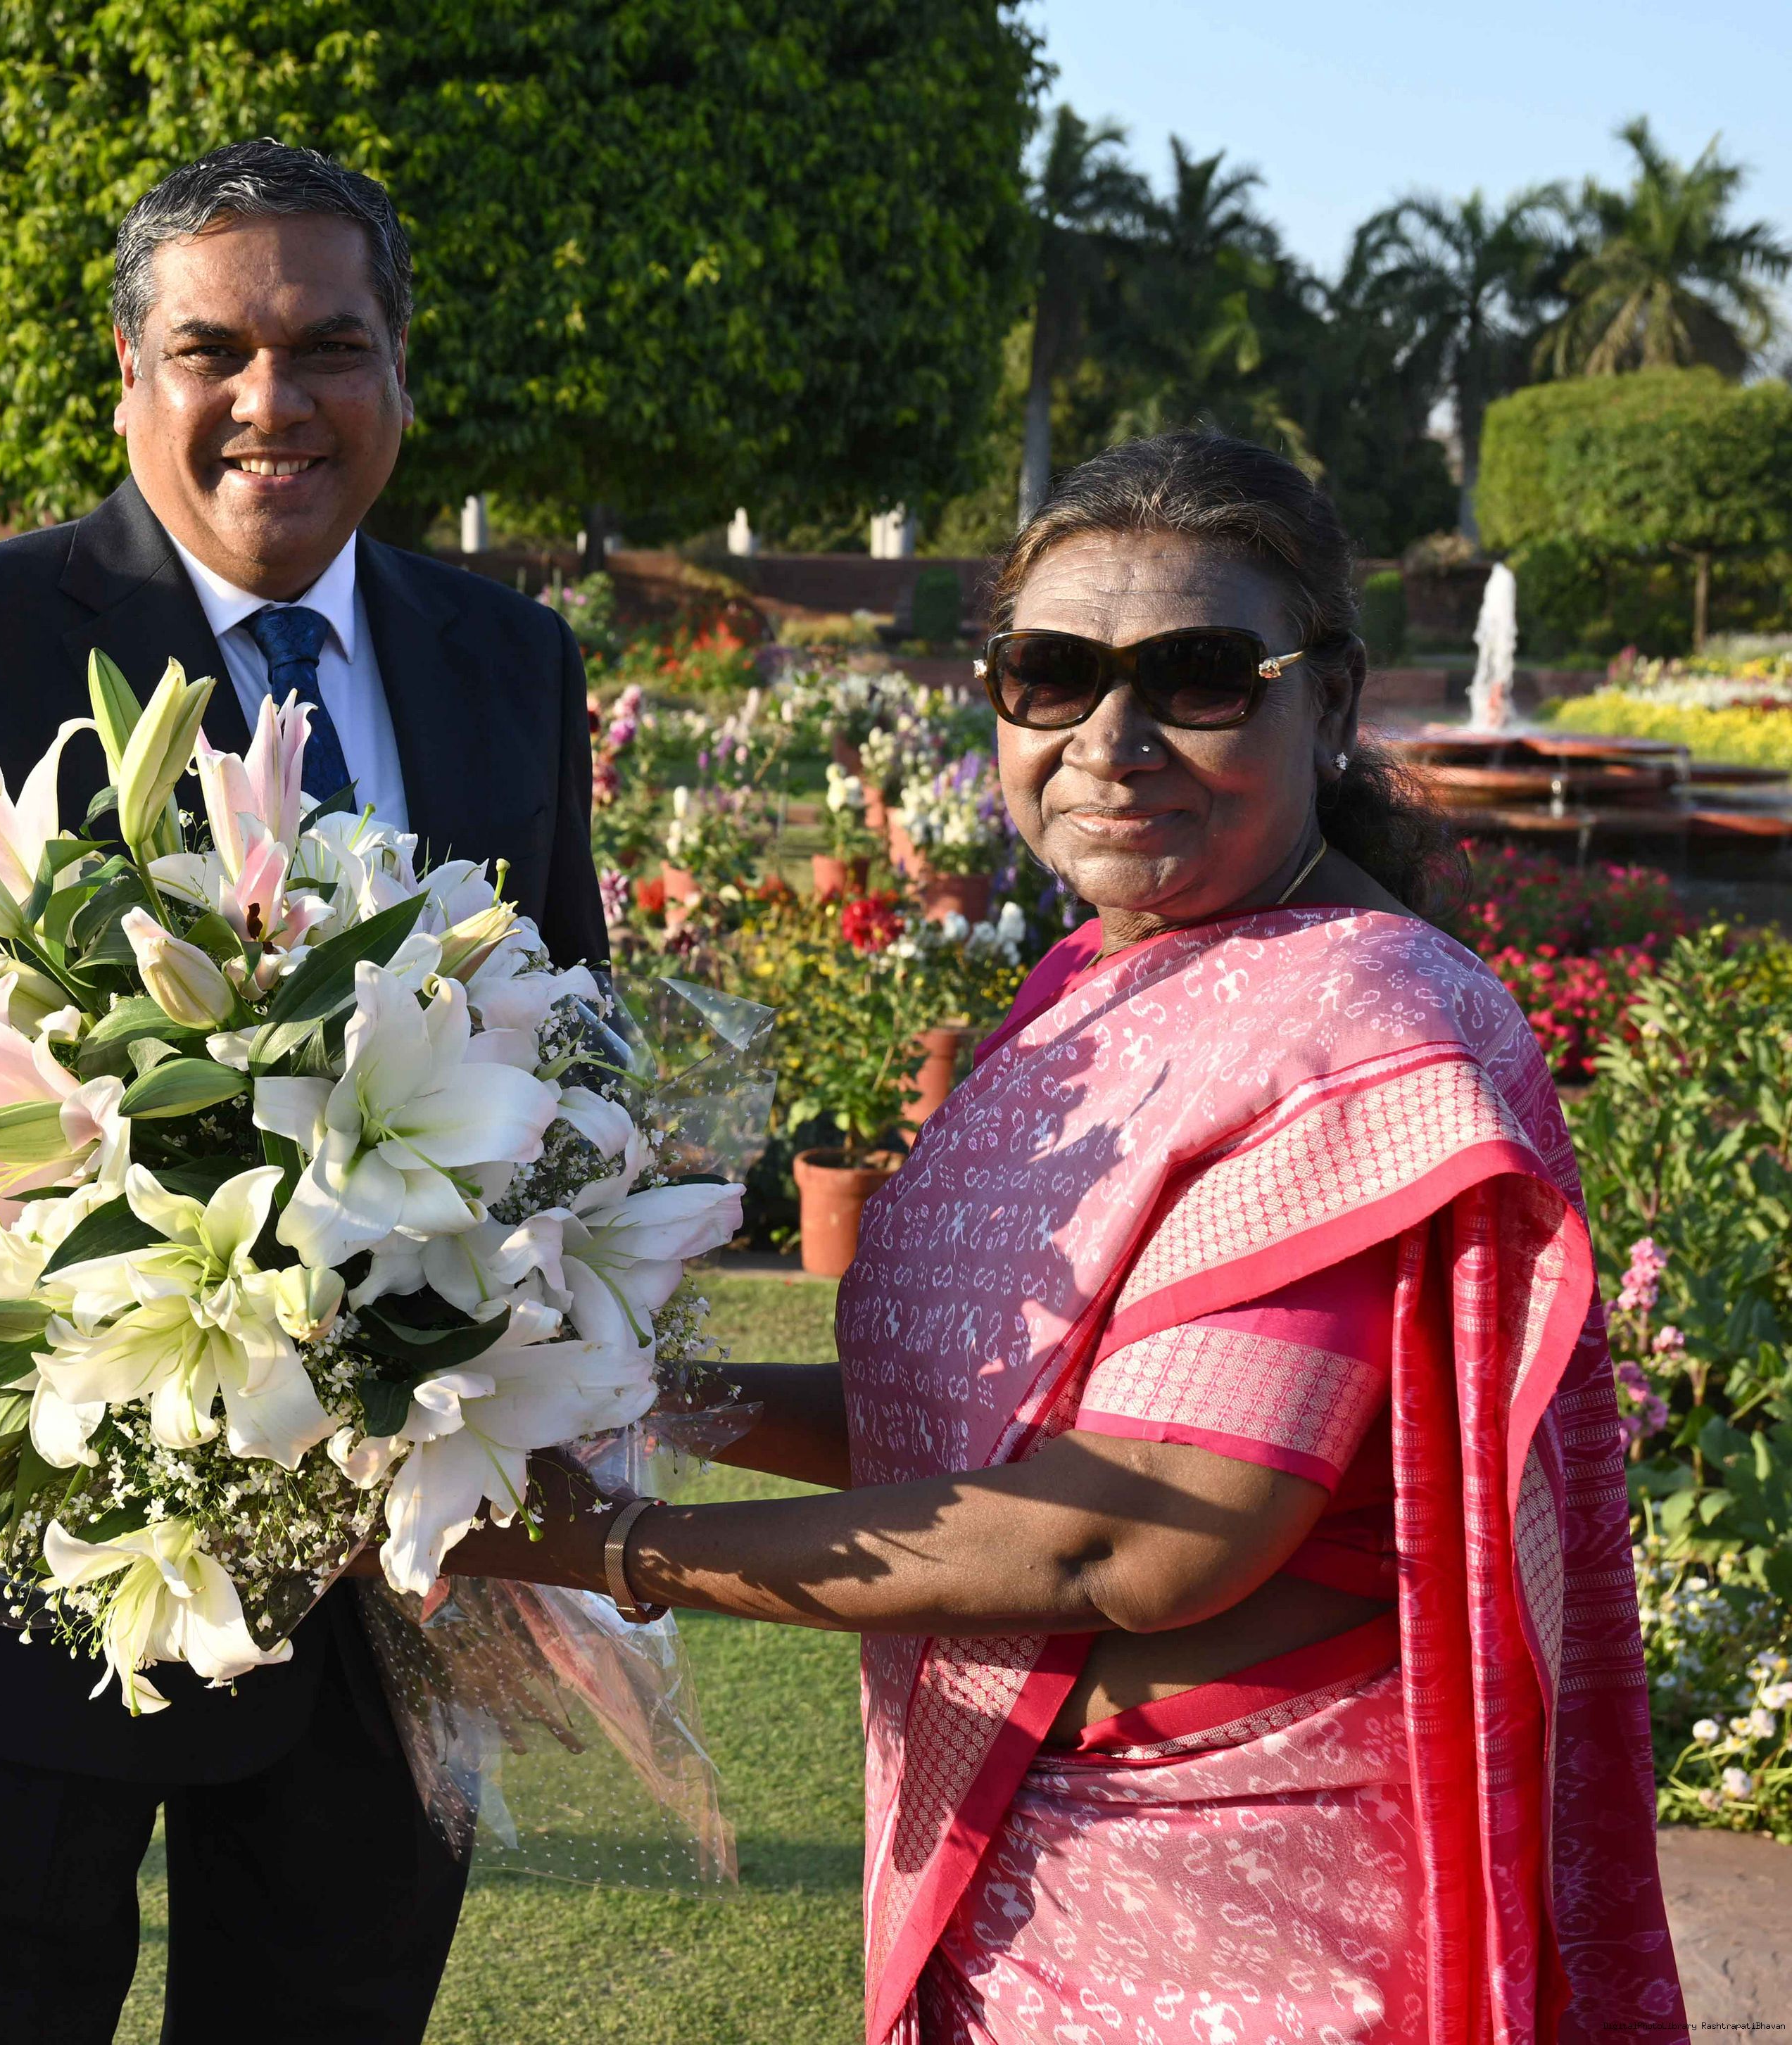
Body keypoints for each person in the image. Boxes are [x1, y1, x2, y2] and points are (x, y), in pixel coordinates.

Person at [443, 432, 1689, 2041]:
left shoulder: (1359, 1025)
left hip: (1241, 1914)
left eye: (1196, 675)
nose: (1109, 738)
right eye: (1050, 673)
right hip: (1038, 1885)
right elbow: (967, 1418)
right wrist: (571, 1392)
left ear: (1326, 699)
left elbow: (1133, 1534)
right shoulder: (1090, 987)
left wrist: (598, 1548)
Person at [0, 139, 606, 2043]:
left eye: (327, 347)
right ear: (129, 374)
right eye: (211, 351)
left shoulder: (511, 659)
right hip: (47, 1541)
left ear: (398, 369)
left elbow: (569, 1041)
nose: (270, 401)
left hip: (395, 1582)